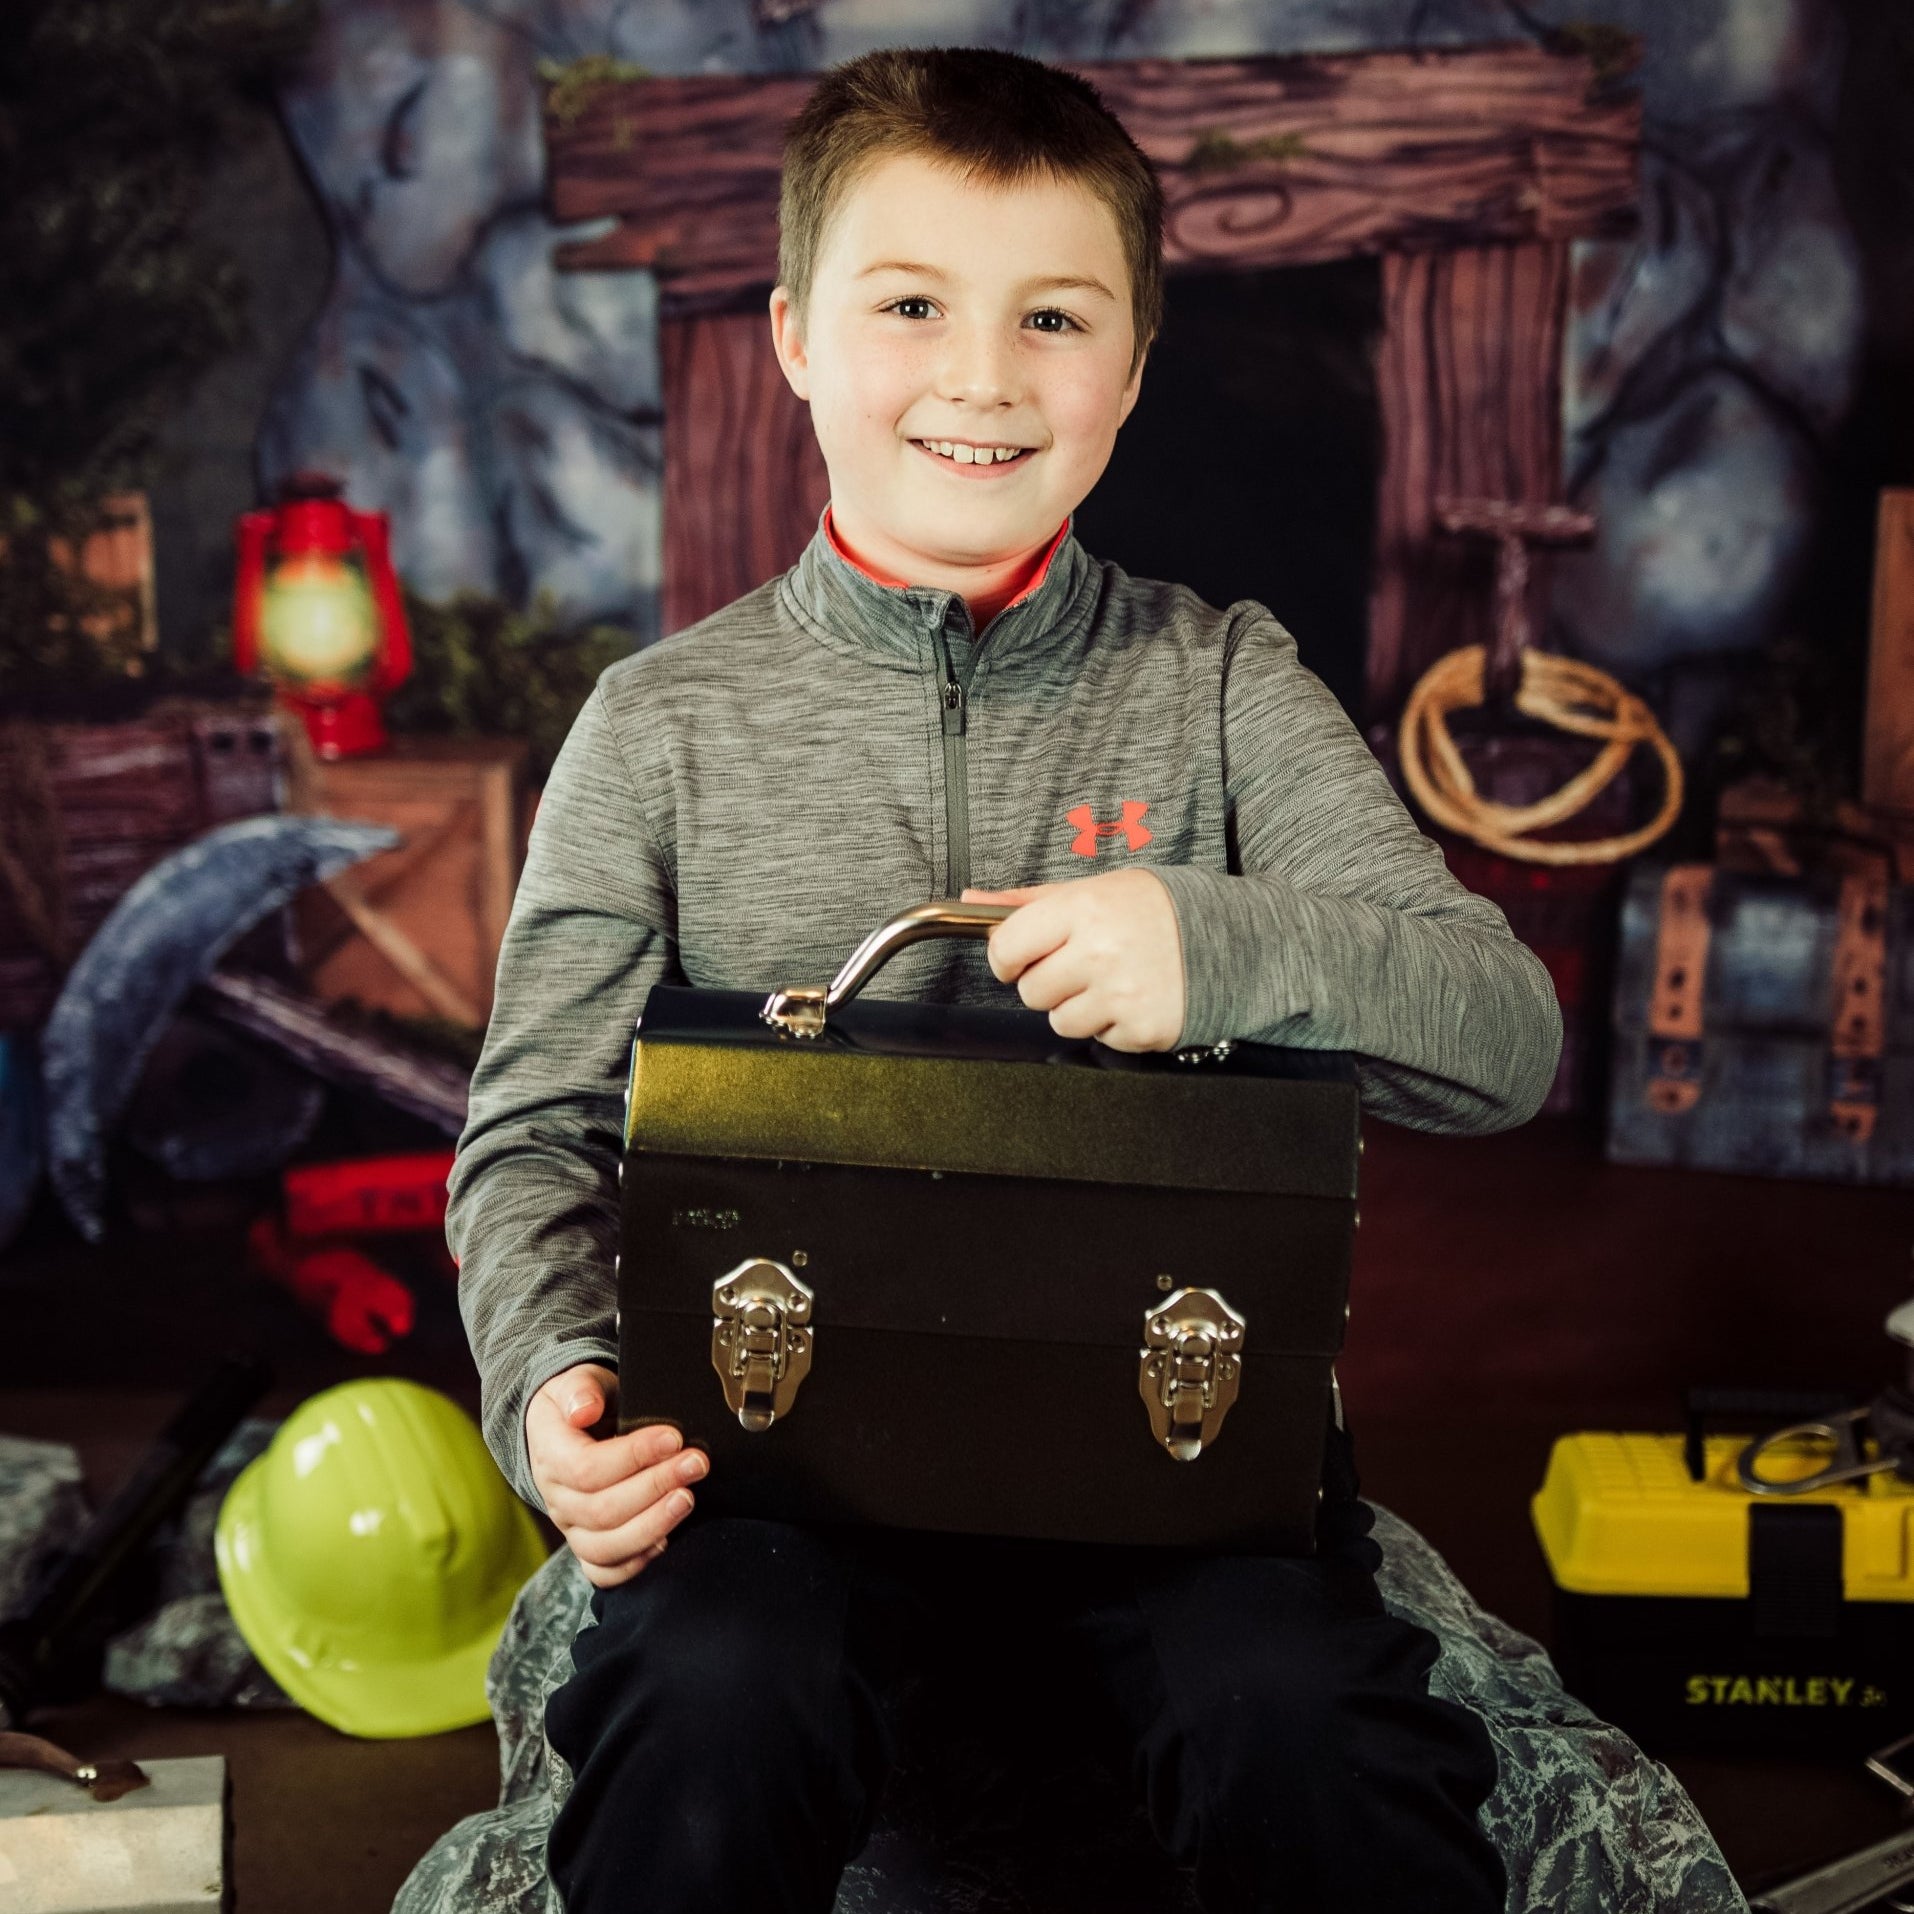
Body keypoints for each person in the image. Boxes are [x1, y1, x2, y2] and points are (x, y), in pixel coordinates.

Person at [446, 43, 1561, 1914]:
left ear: (1130, 368)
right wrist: (550, 1379)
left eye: (1053, 317)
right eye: (909, 305)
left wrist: (1221, 938)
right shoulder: (655, 730)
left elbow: (1501, 1033)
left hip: (1176, 1462)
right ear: (796, 336)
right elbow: (532, 1137)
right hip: (772, 1475)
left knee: (1298, 1715)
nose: (979, 377)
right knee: (707, 1694)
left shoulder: (1221, 684)